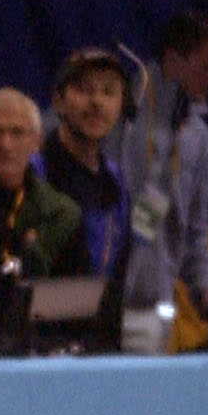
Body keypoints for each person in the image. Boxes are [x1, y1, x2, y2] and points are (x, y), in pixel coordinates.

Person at [115, 11, 208, 344]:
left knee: (143, 393)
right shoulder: (119, 116)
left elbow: (195, 233)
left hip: (151, 307)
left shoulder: (200, 141)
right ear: (172, 59)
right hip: (93, 297)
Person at [0, 88, 86, 285]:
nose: (6, 145)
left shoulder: (59, 212)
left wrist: (15, 263)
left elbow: (69, 291)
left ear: (36, 142)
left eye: (17, 133)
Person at [36, 48, 134, 284]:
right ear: (58, 101)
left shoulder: (115, 179)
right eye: (84, 90)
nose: (97, 102)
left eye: (109, 92)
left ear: (122, 105)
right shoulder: (34, 172)